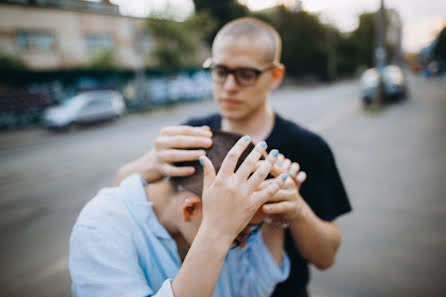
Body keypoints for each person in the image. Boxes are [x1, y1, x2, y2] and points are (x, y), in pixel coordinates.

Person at [115, 17, 352, 297]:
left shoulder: (308, 147)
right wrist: (152, 162)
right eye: (220, 70)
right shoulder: (193, 134)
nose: (229, 85)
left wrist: (297, 209)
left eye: (246, 74)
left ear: (275, 76)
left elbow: (326, 258)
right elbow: (121, 191)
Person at [70, 131, 294, 297]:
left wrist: (276, 215)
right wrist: (217, 233)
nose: (243, 245)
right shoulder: (98, 228)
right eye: (237, 235)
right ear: (190, 209)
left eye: (249, 232)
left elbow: (252, 289)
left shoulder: (208, 221)